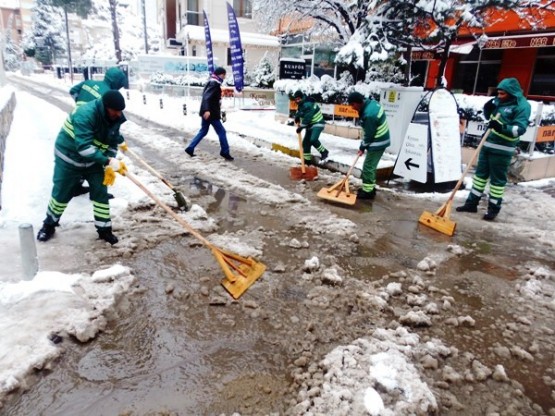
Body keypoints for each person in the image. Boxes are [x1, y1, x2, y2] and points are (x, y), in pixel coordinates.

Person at [36, 90, 128, 245]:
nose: (119, 114)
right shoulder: (85, 114)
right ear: (106, 107)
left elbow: (112, 142)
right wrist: (106, 161)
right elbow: (84, 147)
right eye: (115, 111)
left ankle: (104, 230)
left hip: (93, 161)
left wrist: (110, 160)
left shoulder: (115, 118)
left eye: (120, 111)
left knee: (100, 193)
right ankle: (49, 225)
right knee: (61, 193)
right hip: (68, 158)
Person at [456, 78, 531, 221]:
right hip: (487, 145)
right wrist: (488, 110)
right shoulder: (498, 102)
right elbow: (490, 119)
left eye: (503, 94)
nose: (499, 96)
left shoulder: (522, 106)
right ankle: (471, 203)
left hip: (502, 149)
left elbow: (519, 129)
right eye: (498, 93)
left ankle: (493, 208)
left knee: (497, 181)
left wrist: (502, 127)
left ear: (512, 93)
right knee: (479, 177)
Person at [69, 66, 128, 196]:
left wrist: (80, 105)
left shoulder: (89, 82)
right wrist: (120, 140)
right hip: (92, 126)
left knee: (80, 156)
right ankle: (98, 191)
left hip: (77, 122)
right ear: (116, 82)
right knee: (95, 157)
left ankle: (76, 185)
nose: (120, 88)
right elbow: (112, 127)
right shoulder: (107, 96)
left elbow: (73, 91)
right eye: (120, 85)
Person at [347, 91, 390, 200]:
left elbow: (369, 135)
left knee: (368, 167)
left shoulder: (369, 114)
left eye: (352, 105)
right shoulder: (370, 103)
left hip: (377, 141)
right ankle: (370, 187)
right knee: (370, 166)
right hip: (380, 138)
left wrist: (362, 146)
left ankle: (368, 192)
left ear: (358, 102)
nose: (352, 107)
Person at [185, 67, 234, 161]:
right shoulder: (214, 84)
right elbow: (206, 97)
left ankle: (190, 148)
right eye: (224, 75)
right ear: (220, 74)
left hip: (207, 112)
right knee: (222, 132)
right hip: (211, 113)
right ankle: (225, 151)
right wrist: (207, 110)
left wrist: (206, 110)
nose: (224, 77)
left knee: (203, 130)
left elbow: (206, 97)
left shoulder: (211, 82)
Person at [292, 90, 328, 165]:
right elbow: (300, 112)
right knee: (305, 143)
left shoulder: (307, 104)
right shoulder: (301, 104)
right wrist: (297, 117)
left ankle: (324, 152)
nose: (297, 100)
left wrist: (301, 128)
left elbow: (308, 117)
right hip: (310, 125)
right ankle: (307, 161)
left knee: (313, 139)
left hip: (318, 123)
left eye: (299, 99)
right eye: (296, 99)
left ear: (302, 98)